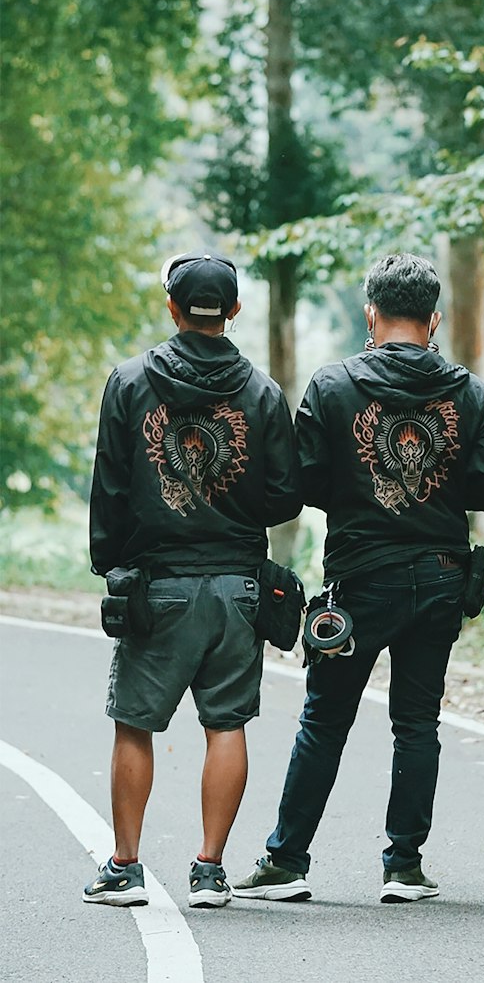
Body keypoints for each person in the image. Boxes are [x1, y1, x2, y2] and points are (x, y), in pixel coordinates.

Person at [233, 252, 484, 906]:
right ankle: (404, 866)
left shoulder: (332, 388)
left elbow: (302, 484)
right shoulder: (472, 393)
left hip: (359, 580)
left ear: (371, 314)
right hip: (442, 576)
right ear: (434, 318)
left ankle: (287, 862)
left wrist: (359, 495)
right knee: (417, 722)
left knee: (325, 721)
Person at [85, 252, 302, 909]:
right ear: (233, 311)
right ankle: (210, 871)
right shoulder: (262, 393)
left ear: (173, 308)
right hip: (238, 588)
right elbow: (286, 496)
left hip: (159, 586)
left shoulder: (128, 382)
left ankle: (125, 868)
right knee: (226, 724)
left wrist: (111, 566)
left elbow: (111, 487)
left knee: (134, 724)